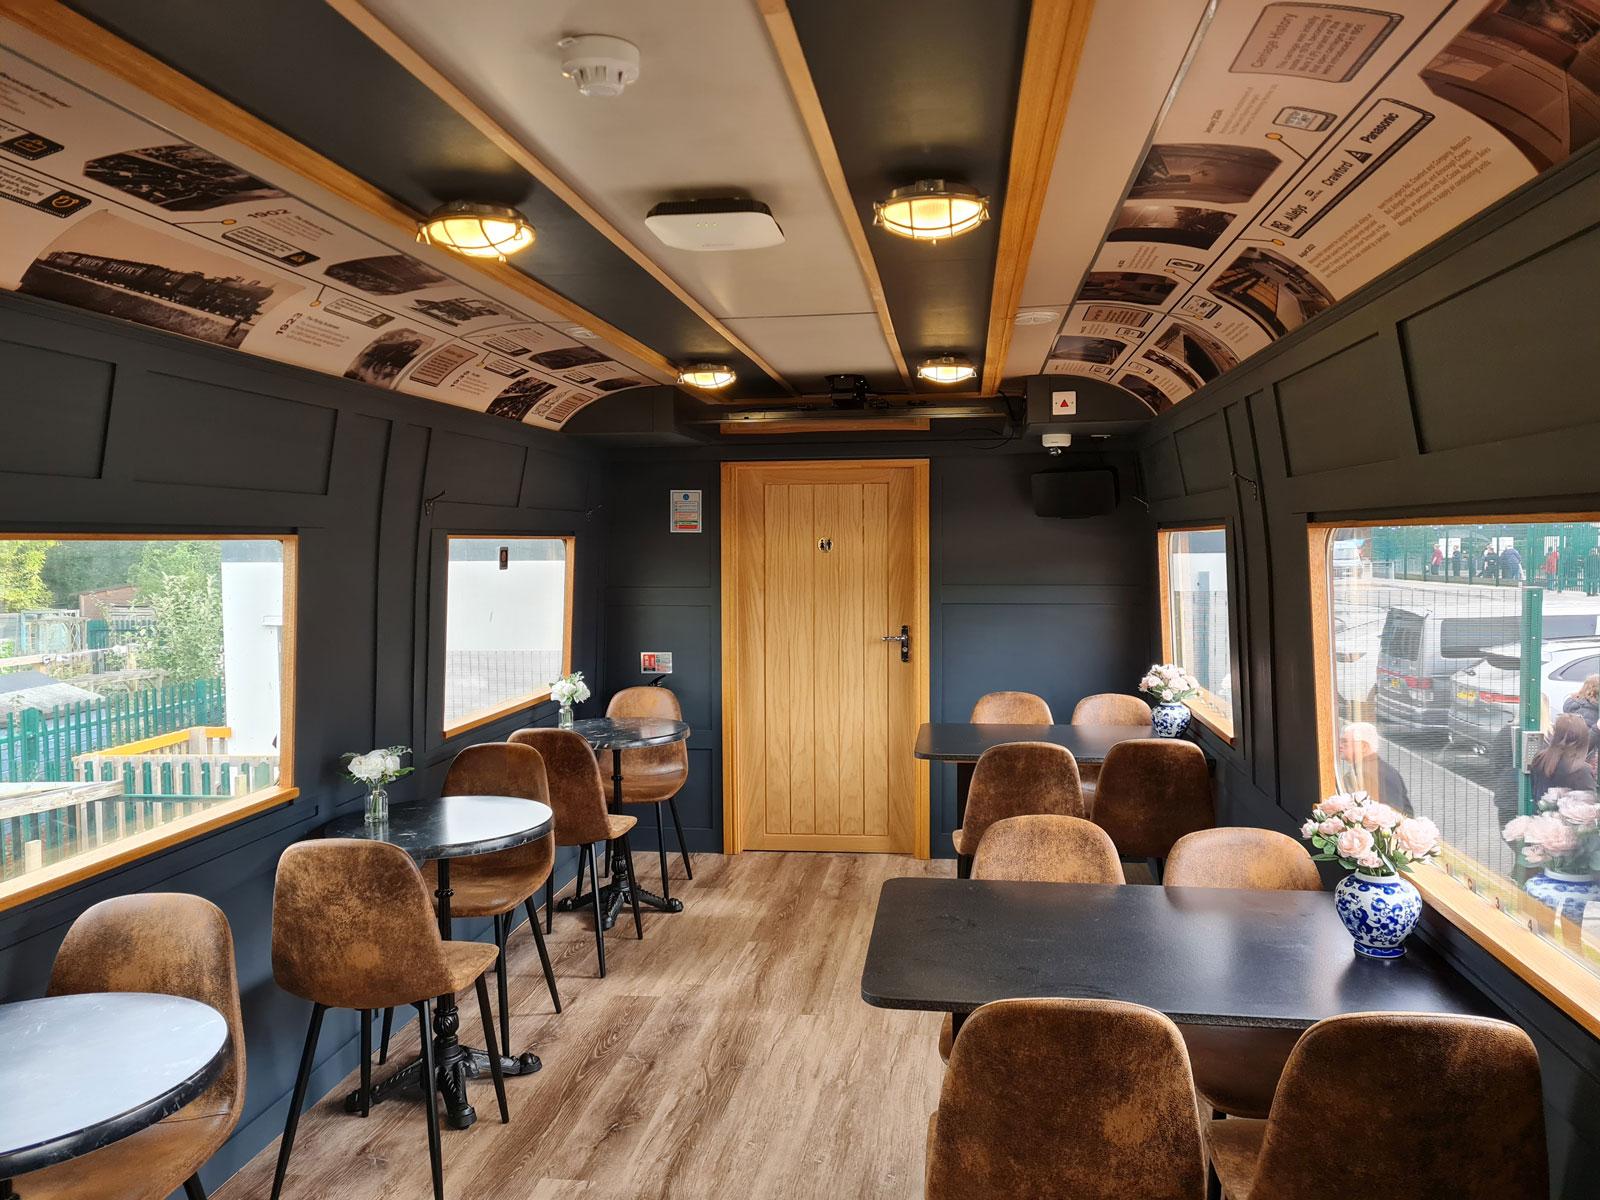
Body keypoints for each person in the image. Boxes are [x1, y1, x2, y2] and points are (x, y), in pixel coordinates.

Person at [1336, 722, 1413, 815]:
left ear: (1363, 747)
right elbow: (1408, 813)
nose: (1339, 745)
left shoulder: (1362, 774)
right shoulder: (1389, 770)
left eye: (1345, 742)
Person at [1528, 713, 1597, 798]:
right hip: (1571, 810)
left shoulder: (1539, 759)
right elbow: (1589, 805)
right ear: (1583, 741)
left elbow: (1535, 792)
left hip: (1541, 809)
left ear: (1555, 734)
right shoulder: (1581, 771)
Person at [1563, 674, 1600, 754]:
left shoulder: (1576, 705)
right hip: (1586, 759)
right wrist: (1597, 728)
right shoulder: (1589, 712)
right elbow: (1582, 746)